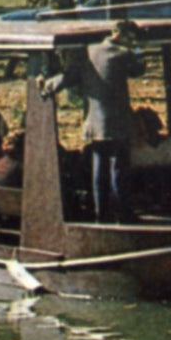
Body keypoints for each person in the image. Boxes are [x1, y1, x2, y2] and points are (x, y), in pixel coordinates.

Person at [37, 19, 145, 222]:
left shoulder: (88, 51)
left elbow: (67, 77)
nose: (131, 41)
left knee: (99, 169)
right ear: (118, 34)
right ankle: (123, 214)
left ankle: (100, 214)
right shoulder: (123, 55)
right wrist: (137, 50)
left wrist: (46, 85)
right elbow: (139, 70)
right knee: (119, 170)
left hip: (94, 123)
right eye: (131, 37)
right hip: (118, 124)